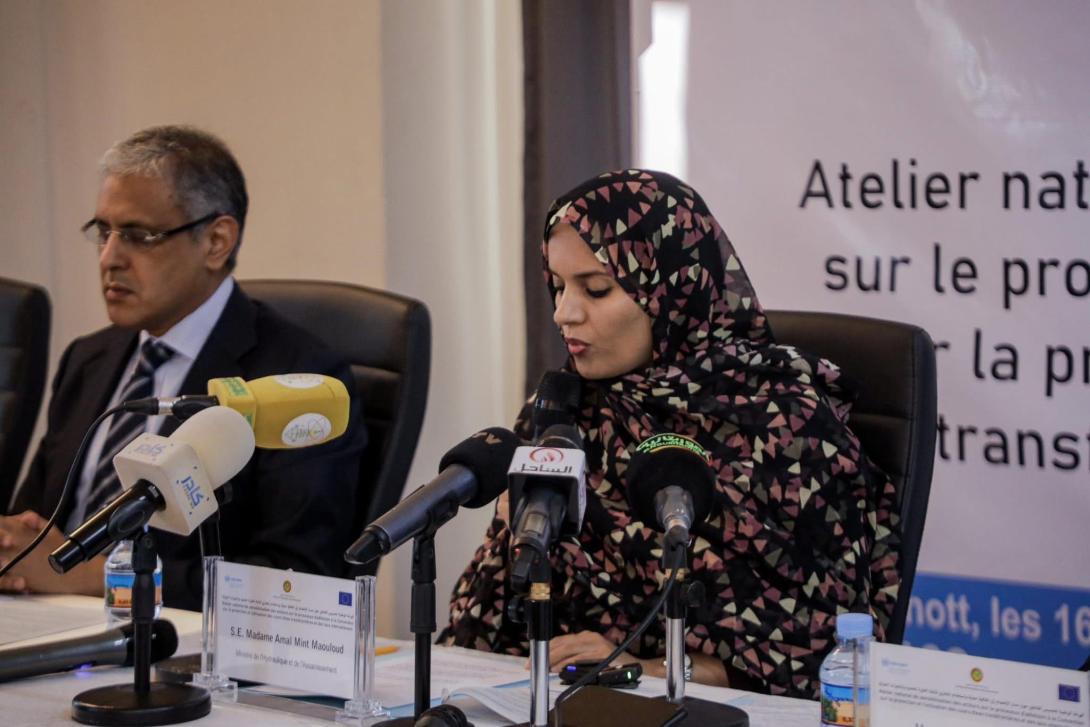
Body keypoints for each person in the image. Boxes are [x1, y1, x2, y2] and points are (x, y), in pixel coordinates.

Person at [440, 169, 899, 699]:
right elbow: (485, 625)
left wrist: (644, 669)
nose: (564, 313)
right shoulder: (565, 414)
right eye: (559, 286)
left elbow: (821, 655)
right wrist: (516, 537)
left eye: (596, 289)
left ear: (671, 290)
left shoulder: (784, 425)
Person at [0, 125, 367, 609]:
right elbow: (34, 523)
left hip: (180, 642)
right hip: (51, 626)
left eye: (138, 236)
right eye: (103, 233)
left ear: (216, 241)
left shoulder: (299, 376)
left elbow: (296, 576)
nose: (109, 258)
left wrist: (99, 578)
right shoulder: (88, 358)